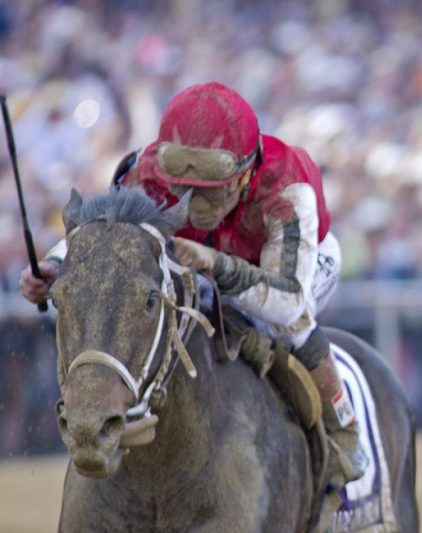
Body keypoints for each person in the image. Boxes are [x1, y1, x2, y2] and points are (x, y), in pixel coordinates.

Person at [20, 81, 367, 490]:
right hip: (199, 256)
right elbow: (111, 235)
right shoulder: (147, 171)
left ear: (244, 174)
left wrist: (217, 264)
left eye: (211, 193)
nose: (195, 207)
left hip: (289, 267)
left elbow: (287, 301)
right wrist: (56, 264)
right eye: (184, 190)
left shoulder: (288, 189)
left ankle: (343, 432)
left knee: (285, 326)